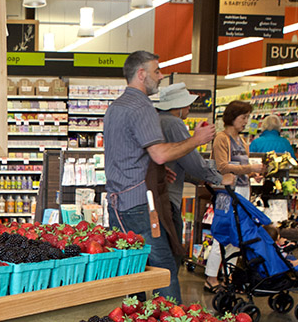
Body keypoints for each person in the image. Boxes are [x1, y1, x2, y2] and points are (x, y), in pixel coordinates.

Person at [104, 51, 215, 302]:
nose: (161, 75)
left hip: (118, 203)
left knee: (130, 268)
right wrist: (196, 139)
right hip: (140, 204)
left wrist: (152, 169)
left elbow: (122, 153)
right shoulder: (142, 106)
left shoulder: (116, 107)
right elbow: (161, 153)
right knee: (163, 268)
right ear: (141, 74)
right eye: (156, 71)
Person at [204, 100, 265, 292]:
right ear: (232, 117)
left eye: (247, 117)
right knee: (223, 233)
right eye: (243, 117)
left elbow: (240, 168)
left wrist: (252, 174)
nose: (246, 121)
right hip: (227, 193)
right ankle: (211, 277)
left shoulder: (242, 141)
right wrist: (250, 167)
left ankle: (227, 276)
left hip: (243, 190)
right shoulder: (222, 139)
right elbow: (222, 166)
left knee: (238, 235)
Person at [154, 83, 222, 249]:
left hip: (153, 193)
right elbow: (190, 161)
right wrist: (218, 178)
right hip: (168, 195)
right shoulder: (174, 124)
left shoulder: (155, 120)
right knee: (173, 249)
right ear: (178, 106)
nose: (189, 108)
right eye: (187, 104)